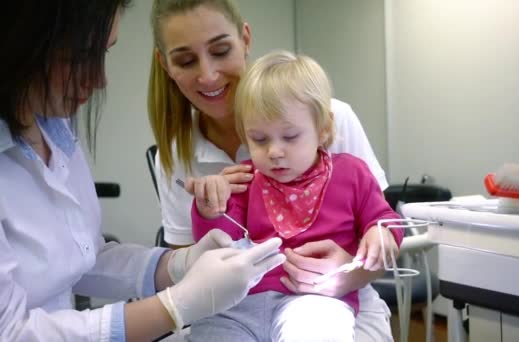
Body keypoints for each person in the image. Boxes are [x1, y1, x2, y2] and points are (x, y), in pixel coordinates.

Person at [0, 1, 285, 341]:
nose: (100, 80)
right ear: (22, 44)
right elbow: (12, 332)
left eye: (103, 53)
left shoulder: (55, 132)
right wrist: (176, 306)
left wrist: (179, 264)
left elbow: (85, 259)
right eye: (80, 57)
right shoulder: (176, 154)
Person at [148, 0, 397, 340]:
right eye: (258, 139)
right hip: (239, 306)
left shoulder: (342, 144)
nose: (275, 152)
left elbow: (382, 222)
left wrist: (358, 262)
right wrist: (208, 207)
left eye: (220, 50)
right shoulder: (243, 174)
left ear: (324, 130)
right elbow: (211, 249)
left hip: (322, 300)